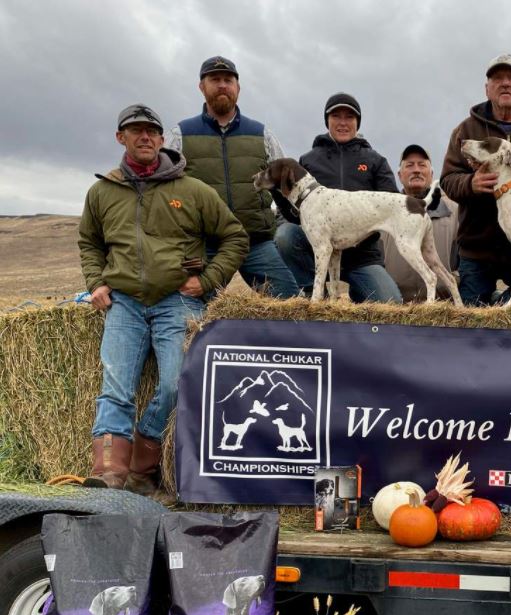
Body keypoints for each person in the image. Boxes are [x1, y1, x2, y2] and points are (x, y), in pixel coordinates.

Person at [79, 104, 248, 500]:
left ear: (161, 140)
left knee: (177, 382)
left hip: (177, 300)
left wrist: (207, 280)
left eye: (152, 132)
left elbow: (235, 236)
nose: (145, 137)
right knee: (116, 386)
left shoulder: (191, 190)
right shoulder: (102, 191)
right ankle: (108, 475)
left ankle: (142, 461)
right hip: (124, 301)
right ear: (121, 138)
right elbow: (89, 242)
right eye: (135, 131)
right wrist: (97, 283)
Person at [166, 56, 298, 298]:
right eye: (214, 79)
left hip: (256, 242)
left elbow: (286, 187)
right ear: (201, 87)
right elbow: (164, 192)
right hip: (205, 245)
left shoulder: (262, 134)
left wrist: (280, 225)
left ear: (238, 88)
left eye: (228, 80)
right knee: (189, 315)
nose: (222, 85)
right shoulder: (180, 135)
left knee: (288, 303)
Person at [274, 92, 403, 303]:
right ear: (327, 121)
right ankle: (312, 292)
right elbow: (290, 213)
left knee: (391, 303)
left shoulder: (376, 161)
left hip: (363, 256)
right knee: (285, 234)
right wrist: (276, 193)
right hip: (318, 250)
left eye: (349, 117)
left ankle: (360, 293)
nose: (343, 122)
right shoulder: (307, 161)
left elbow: (393, 206)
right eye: (336, 116)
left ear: (357, 123)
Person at [440, 54, 511, 305]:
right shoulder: (465, 130)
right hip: (477, 248)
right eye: (497, 78)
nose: (505, 83)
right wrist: (470, 184)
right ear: (487, 88)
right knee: (472, 323)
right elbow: (448, 180)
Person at [381, 144, 459, 301]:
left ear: (431, 174)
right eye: (409, 165)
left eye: (422, 165)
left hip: (443, 308)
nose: (416, 170)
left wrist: (452, 284)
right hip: (394, 308)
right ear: (399, 175)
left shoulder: (456, 211)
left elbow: (467, 261)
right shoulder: (384, 212)